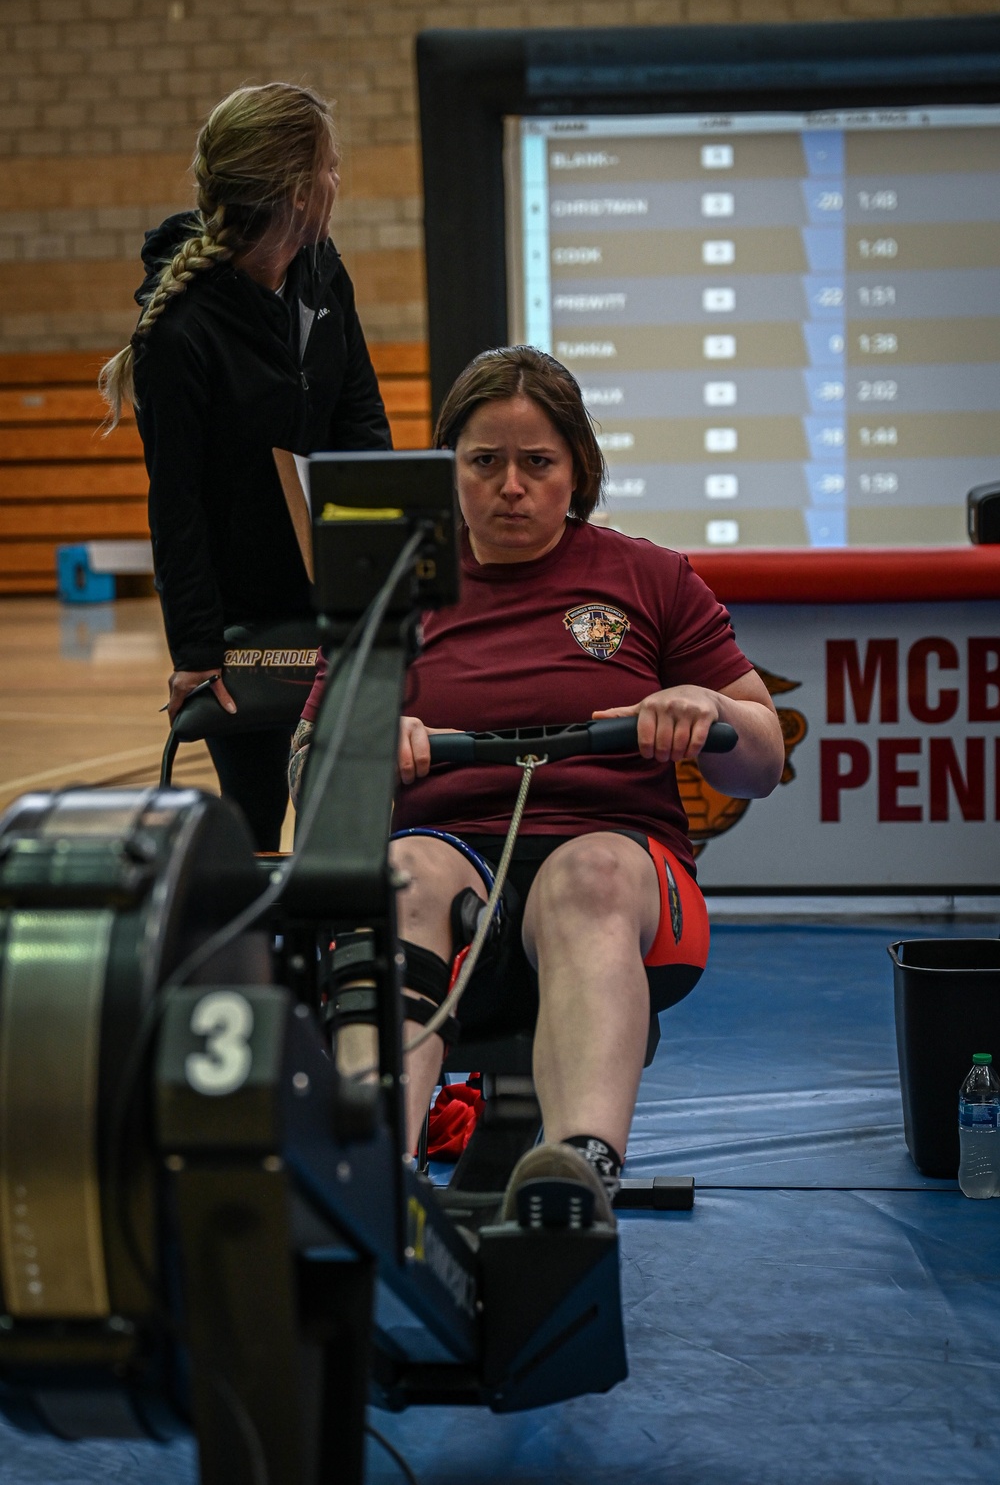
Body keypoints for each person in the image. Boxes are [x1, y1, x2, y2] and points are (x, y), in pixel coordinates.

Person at [296, 346, 784, 1224]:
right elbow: (311, 774)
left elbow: (763, 758)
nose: (510, 486)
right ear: (450, 471)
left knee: (585, 877)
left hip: (617, 871)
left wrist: (705, 706)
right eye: (484, 462)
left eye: (537, 462)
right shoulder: (395, 593)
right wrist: (367, 745)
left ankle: (577, 1177)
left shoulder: (649, 578)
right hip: (449, 865)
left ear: (577, 472)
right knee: (405, 874)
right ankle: (374, 1174)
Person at [100, 82, 391, 851]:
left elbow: (362, 423)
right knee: (257, 813)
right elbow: (179, 503)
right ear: (299, 190)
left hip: (333, 597)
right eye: (330, 167)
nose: (338, 181)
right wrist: (196, 650)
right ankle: (265, 960)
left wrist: (382, 578)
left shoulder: (325, 272)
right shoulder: (181, 330)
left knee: (347, 815)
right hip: (242, 621)